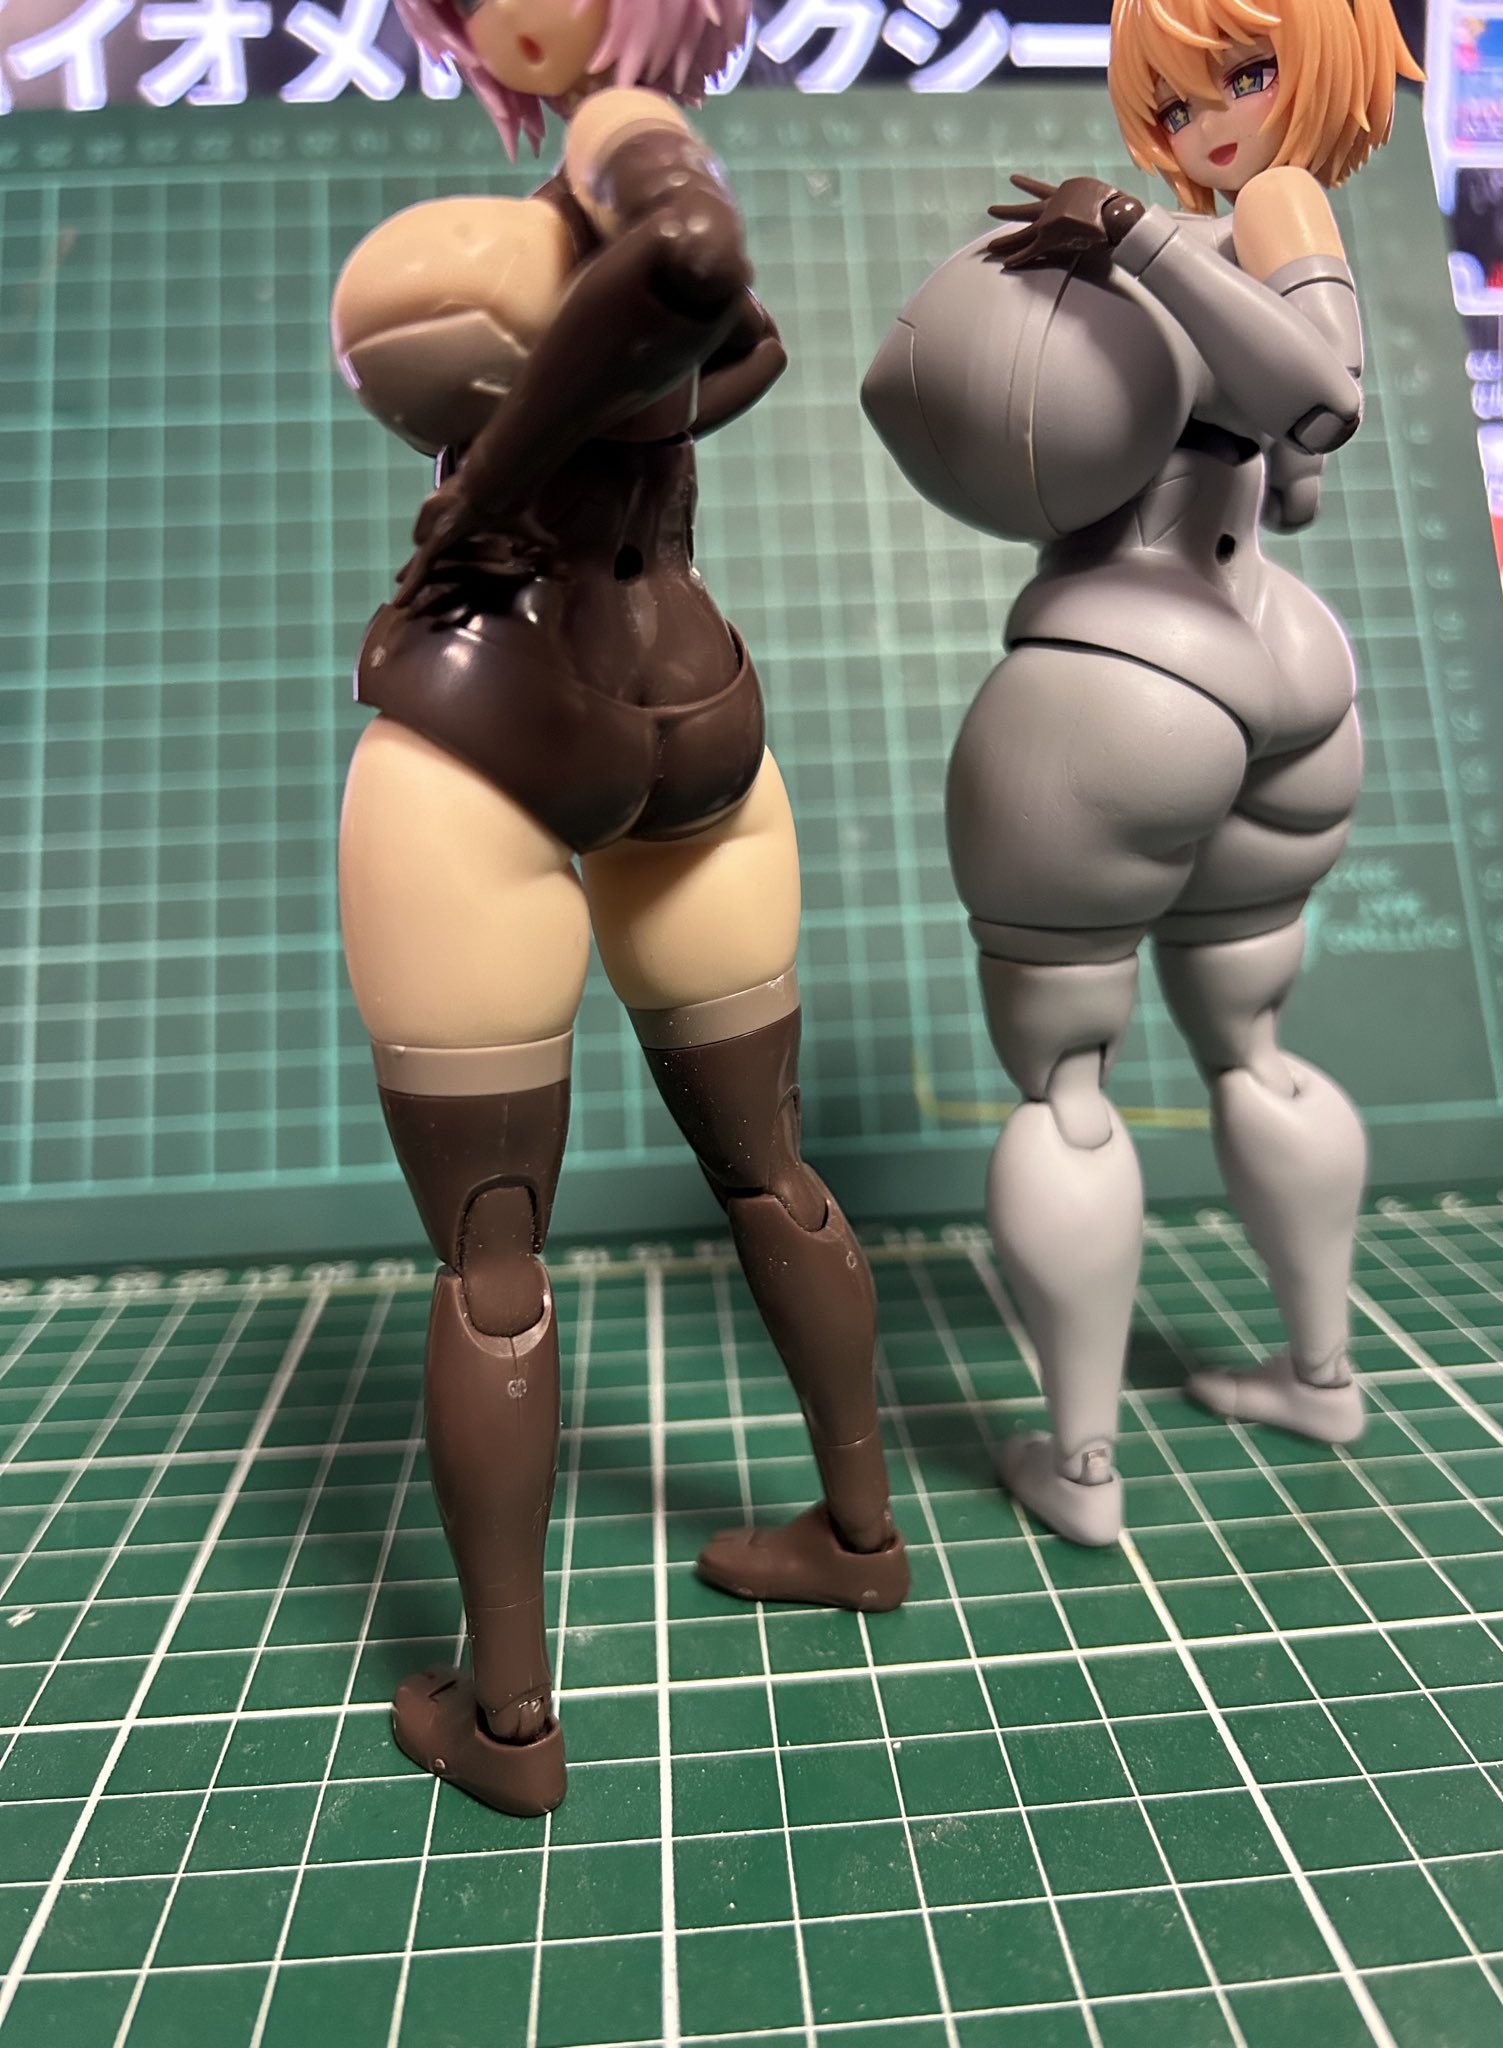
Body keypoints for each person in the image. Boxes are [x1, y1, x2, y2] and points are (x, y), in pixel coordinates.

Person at [330, 0, 908, 1814]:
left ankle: (508, 1725)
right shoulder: (606, 163)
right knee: (768, 1166)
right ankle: (859, 1533)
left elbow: (699, 256)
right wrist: (616, 423)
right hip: (696, 717)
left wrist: (487, 492)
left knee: (494, 1257)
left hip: (494, 716)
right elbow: (752, 338)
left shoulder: (612, 133)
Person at [943, 0, 1422, 1545]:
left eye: (1247, 75)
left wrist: (1139, 245)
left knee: (1070, 1085)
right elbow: (1297, 485)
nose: (1211, 118)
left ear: (1322, 73)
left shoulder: (1269, 205)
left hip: (1129, 672)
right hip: (1284, 669)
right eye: (1175, 97)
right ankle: (1319, 1373)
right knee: (1252, 1049)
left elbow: (1327, 392)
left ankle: (1081, 1468)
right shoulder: (1239, 238)